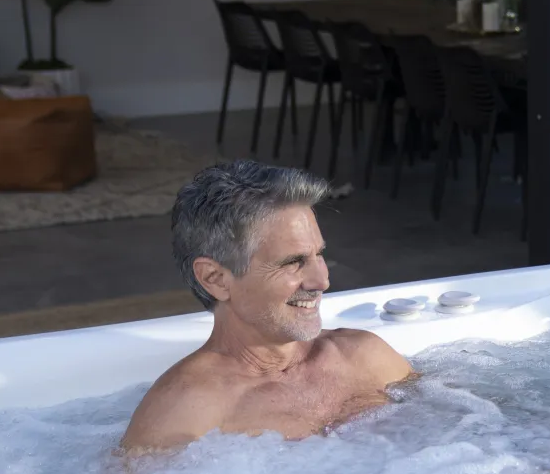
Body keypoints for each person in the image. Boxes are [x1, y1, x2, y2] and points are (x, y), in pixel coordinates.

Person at [119, 160, 413, 456]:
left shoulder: (366, 357)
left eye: (319, 254)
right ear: (216, 279)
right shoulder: (183, 416)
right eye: (293, 262)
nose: (321, 281)